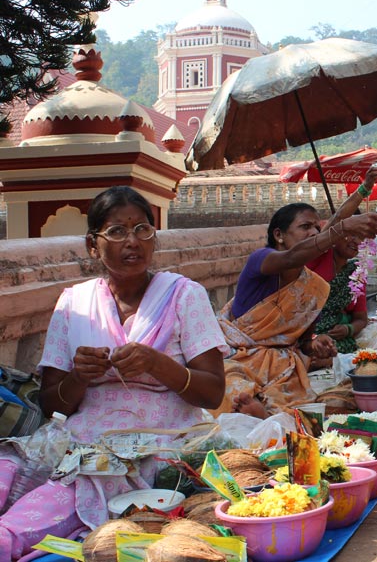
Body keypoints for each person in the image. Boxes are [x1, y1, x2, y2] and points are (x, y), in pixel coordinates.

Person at [0, 187, 229, 559]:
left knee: (46, 507)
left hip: (158, 441)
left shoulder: (185, 296)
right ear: (93, 244)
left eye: (142, 229)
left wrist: (158, 364)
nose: (132, 242)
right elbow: (52, 403)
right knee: (8, 470)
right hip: (80, 438)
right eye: (117, 232)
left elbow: (212, 393)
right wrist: (80, 376)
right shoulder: (74, 303)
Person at [219, 167, 377, 418]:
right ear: (279, 235)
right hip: (239, 356)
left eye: (316, 229)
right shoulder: (263, 259)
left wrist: (316, 345)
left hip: (282, 364)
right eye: (304, 227)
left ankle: (268, 412)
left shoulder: (314, 285)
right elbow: (294, 255)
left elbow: (302, 343)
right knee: (232, 385)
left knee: (301, 401)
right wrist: (345, 222)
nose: (313, 233)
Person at [307, 236, 368, 355]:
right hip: (306, 335)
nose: (356, 241)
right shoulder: (315, 261)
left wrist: (348, 329)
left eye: (361, 237)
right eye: (351, 234)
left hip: (335, 340)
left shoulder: (356, 273)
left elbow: (361, 318)